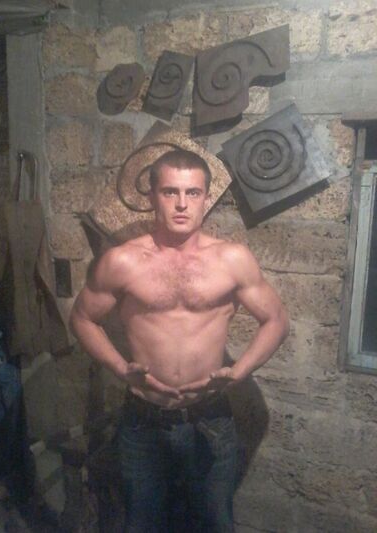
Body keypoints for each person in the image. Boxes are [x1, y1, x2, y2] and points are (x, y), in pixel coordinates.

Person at [70, 149, 289, 532]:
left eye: (193, 192)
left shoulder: (232, 259)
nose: (182, 203)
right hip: (143, 418)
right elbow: (82, 318)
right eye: (170, 192)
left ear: (206, 198)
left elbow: (276, 320)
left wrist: (239, 372)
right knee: (142, 522)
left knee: (214, 522)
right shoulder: (123, 261)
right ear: (152, 197)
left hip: (210, 417)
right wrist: (120, 368)